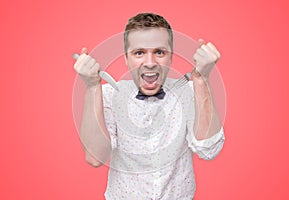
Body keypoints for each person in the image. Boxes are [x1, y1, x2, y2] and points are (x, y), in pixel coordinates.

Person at [74, 13, 225, 200]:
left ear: (171, 57)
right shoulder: (108, 95)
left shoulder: (190, 92)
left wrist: (202, 80)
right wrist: (91, 87)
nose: (151, 63)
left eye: (159, 52)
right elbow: (95, 158)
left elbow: (209, 150)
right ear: (126, 58)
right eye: (139, 53)